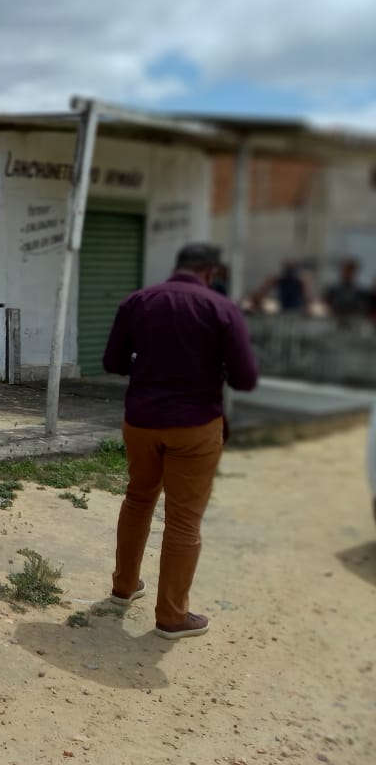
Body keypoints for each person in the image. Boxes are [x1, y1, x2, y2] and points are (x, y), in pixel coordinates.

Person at [102, 242, 258, 640]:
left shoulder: (137, 301)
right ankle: (171, 616)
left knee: (138, 499)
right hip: (195, 424)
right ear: (211, 272)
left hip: (141, 420)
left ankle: (124, 586)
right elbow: (245, 378)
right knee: (183, 519)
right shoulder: (221, 309)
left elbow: (113, 363)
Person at [324, 259, 369, 323]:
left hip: (355, 324)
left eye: (349, 271)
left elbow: (363, 309)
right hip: (334, 322)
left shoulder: (361, 293)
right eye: (345, 270)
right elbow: (327, 306)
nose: (347, 274)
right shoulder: (332, 291)